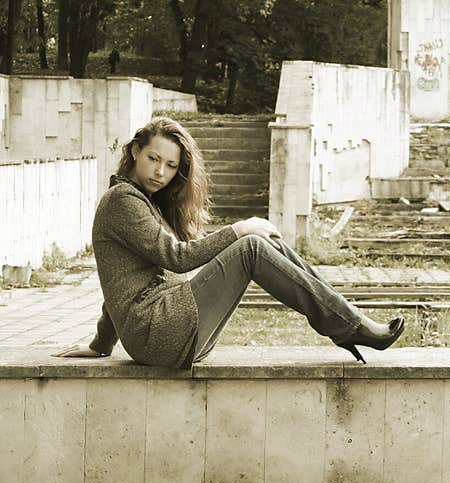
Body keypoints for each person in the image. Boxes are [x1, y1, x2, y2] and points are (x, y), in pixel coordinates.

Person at [52, 117, 403, 367]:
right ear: (134, 154)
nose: (160, 172)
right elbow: (175, 257)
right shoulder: (122, 201)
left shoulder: (142, 203)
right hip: (159, 333)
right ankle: (349, 326)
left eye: (171, 166)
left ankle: (348, 323)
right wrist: (238, 229)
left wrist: (100, 344)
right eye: (153, 159)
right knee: (250, 244)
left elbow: (116, 282)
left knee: (266, 242)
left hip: (165, 334)